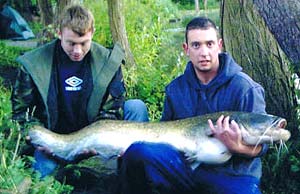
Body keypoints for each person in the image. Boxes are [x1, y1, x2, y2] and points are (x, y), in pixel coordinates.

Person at [118, 17, 267, 194]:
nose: (204, 52)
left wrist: (237, 147)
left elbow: (263, 145)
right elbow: (164, 133)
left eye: (210, 44)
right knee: (137, 151)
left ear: (219, 45)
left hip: (234, 175)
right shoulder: (175, 89)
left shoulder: (245, 88)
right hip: (187, 168)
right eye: (196, 45)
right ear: (186, 49)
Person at [11, 4, 149, 178]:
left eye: (84, 43)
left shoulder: (108, 62)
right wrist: (39, 139)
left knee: (135, 108)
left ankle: (133, 171)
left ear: (92, 32)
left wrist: (92, 142)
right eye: (71, 43)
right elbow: (21, 115)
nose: (77, 51)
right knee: (42, 176)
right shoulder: (32, 65)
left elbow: (113, 111)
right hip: (54, 141)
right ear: (59, 33)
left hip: (95, 136)